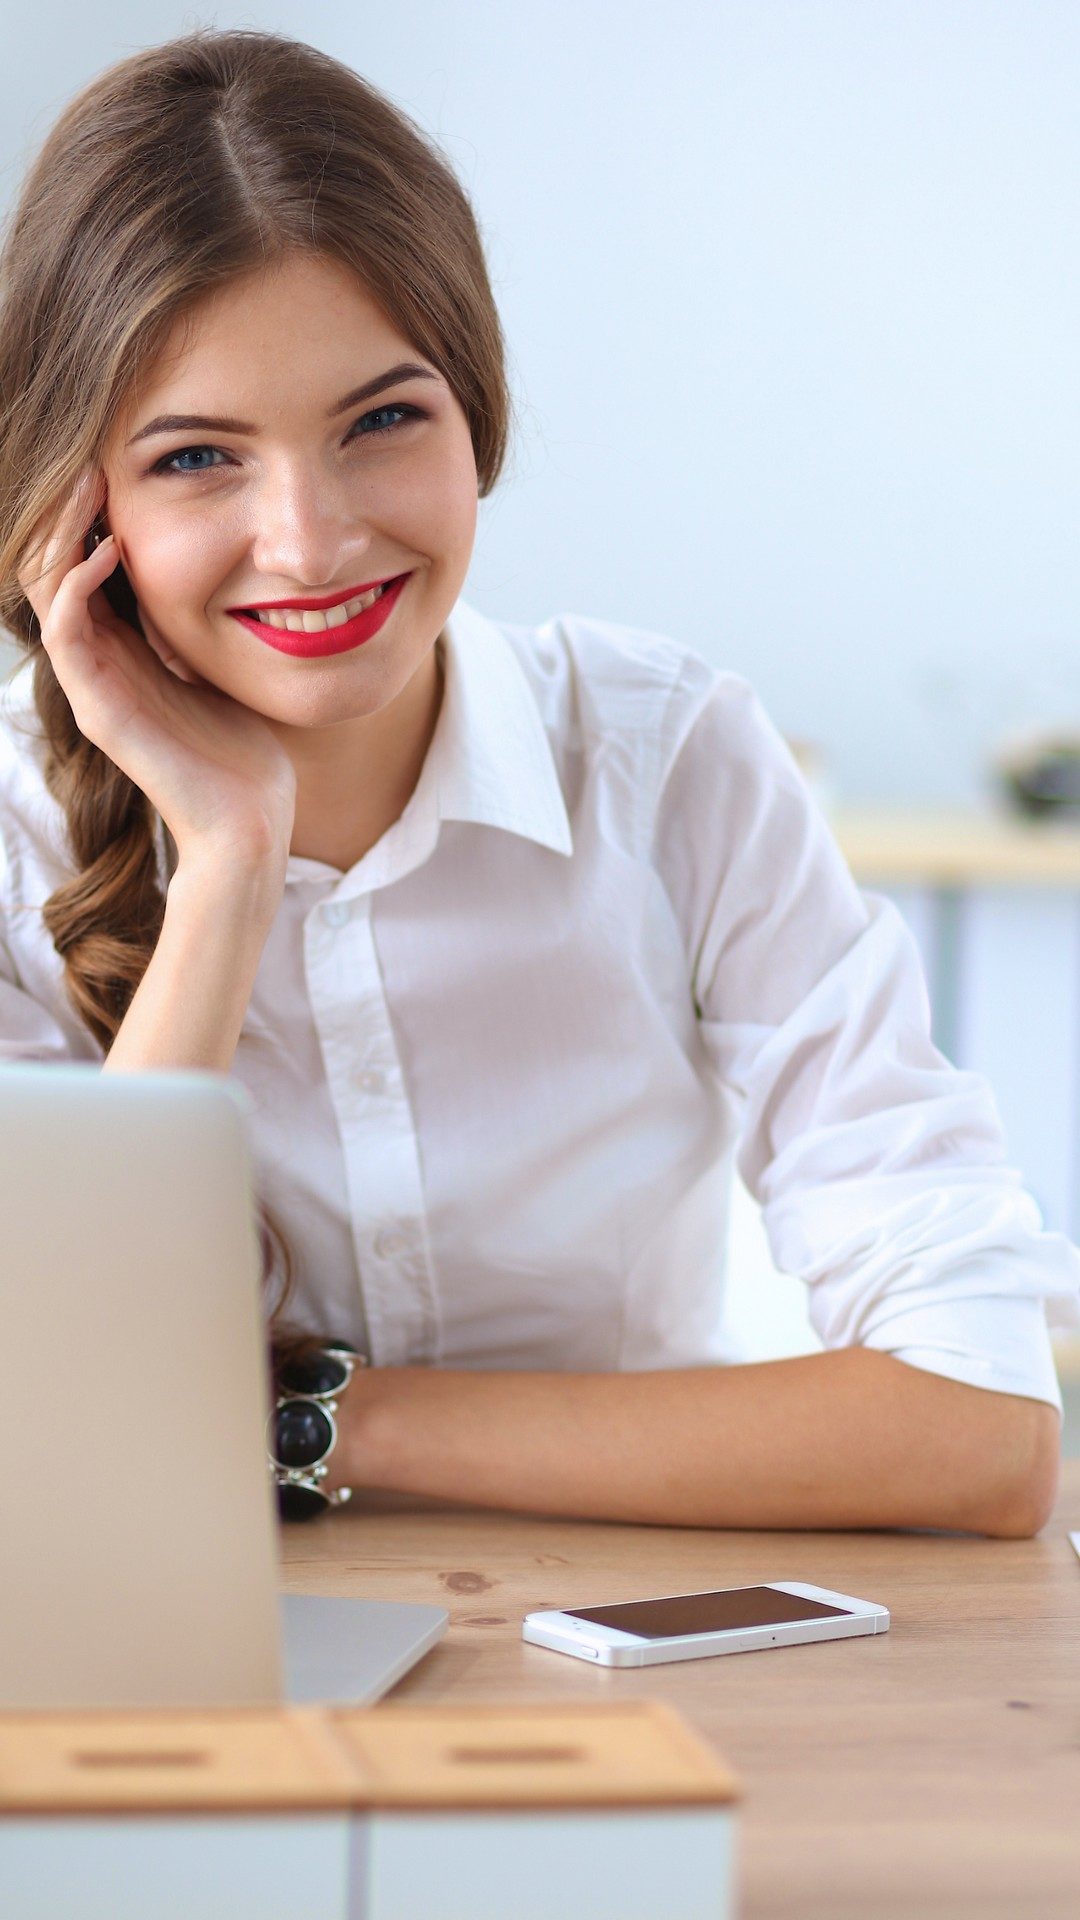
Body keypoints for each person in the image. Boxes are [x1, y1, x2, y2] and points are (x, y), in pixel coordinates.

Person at [1, 28, 1076, 1540]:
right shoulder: (15, 831)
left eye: (383, 420)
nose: (308, 542)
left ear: (477, 413)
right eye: (197, 459)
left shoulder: (668, 760)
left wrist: (329, 1411)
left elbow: (986, 1429)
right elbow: (53, 1437)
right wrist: (231, 863)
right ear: (75, 498)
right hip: (180, 1670)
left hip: (640, 1642)